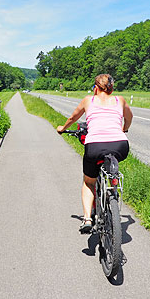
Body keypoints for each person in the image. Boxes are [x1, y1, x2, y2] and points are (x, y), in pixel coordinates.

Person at [56, 74, 133, 233]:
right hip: (120, 146)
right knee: (111, 163)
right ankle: (112, 185)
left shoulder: (88, 100)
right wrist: (124, 129)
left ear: (95, 88)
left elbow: (72, 117)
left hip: (95, 147)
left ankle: (87, 218)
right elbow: (129, 117)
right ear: (111, 88)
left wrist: (62, 128)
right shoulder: (120, 100)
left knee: (88, 182)